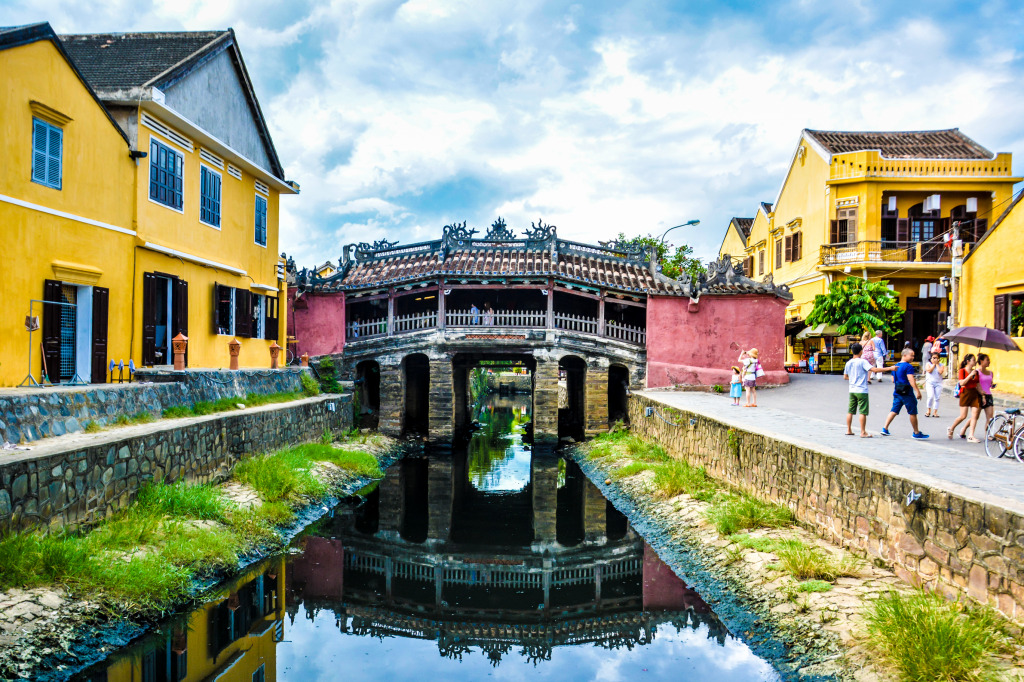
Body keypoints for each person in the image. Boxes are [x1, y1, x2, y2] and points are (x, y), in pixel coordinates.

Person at [843, 342, 891, 437]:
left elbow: (845, 377)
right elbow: (874, 370)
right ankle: (863, 432)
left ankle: (848, 430)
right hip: (862, 390)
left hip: (852, 390)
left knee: (850, 411)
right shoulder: (862, 362)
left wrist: (853, 379)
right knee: (862, 411)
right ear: (861, 351)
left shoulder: (848, 363)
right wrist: (890, 368)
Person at [880, 348, 929, 439]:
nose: (913, 357)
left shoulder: (895, 366)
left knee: (894, 410)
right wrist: (918, 391)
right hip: (907, 392)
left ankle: (885, 428)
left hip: (897, 391)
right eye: (911, 355)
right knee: (912, 412)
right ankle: (916, 432)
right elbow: (911, 380)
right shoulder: (908, 366)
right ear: (905, 355)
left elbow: (893, 380)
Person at [949, 354, 981, 442]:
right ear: (968, 361)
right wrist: (970, 375)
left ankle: (971, 435)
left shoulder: (976, 372)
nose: (975, 362)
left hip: (974, 394)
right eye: (973, 360)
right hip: (965, 393)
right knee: (963, 416)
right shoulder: (962, 371)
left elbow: (978, 385)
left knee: (974, 415)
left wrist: (983, 394)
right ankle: (951, 428)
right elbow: (962, 383)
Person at [965, 353, 996, 441]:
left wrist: (992, 385)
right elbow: (975, 384)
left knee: (990, 417)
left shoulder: (990, 373)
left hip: (988, 395)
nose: (989, 362)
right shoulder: (976, 372)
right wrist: (981, 394)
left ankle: (987, 434)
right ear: (981, 361)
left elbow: (989, 384)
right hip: (978, 395)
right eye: (987, 360)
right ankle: (965, 430)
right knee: (975, 416)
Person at [923, 351, 945, 418]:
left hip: (938, 383)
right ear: (931, 358)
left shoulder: (941, 365)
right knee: (930, 396)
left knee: (937, 398)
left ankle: (935, 412)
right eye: (933, 358)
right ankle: (928, 410)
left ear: (939, 359)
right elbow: (929, 371)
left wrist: (937, 364)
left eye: (936, 358)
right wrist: (934, 365)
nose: (934, 359)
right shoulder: (928, 364)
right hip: (930, 383)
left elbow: (940, 372)